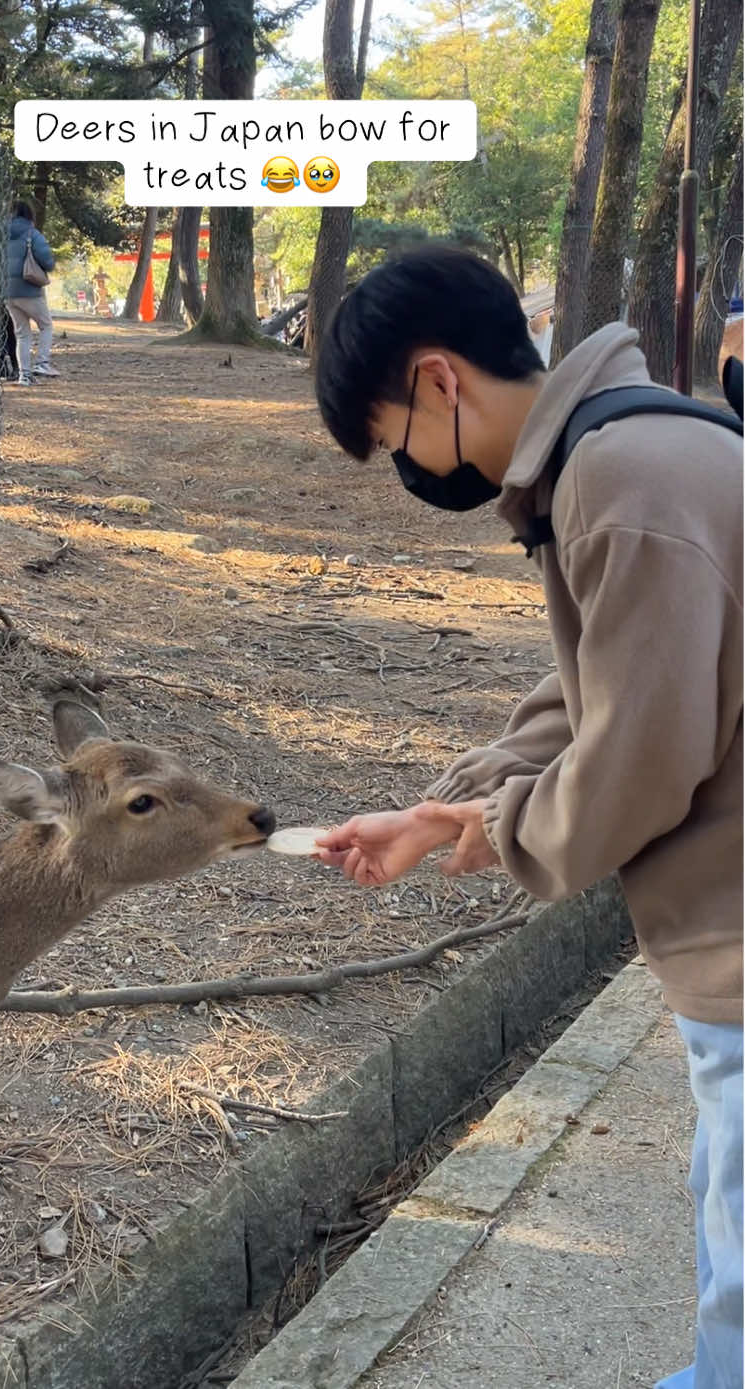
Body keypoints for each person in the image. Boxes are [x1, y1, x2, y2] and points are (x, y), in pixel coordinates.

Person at [312, 246, 742, 1389]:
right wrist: (445, 809)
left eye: (395, 438)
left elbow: (641, 757)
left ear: (440, 379)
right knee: (726, 1216)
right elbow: (604, 682)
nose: (408, 468)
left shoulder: (622, 483)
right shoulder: (632, 445)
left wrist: (501, 830)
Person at [5, 201, 58, 385]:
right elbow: (47, 260)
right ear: (30, 215)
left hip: (8, 292)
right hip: (29, 289)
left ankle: (24, 375)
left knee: (22, 333)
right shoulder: (32, 234)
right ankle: (42, 363)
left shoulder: (2, 234)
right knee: (46, 325)